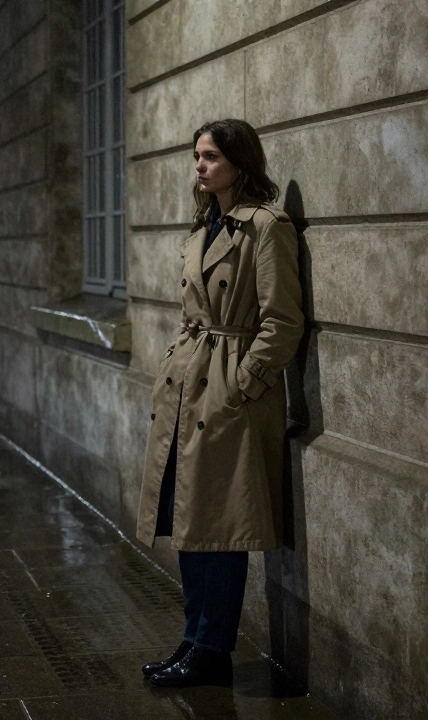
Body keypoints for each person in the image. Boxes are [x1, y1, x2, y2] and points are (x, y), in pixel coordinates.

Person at [136, 119, 305, 688]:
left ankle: (211, 650)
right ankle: (193, 639)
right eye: (196, 156)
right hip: (189, 385)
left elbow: (283, 321)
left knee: (221, 527)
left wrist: (243, 386)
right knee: (189, 520)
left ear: (240, 161)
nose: (200, 166)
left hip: (228, 392)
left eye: (210, 156)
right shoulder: (204, 225)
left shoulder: (266, 226)